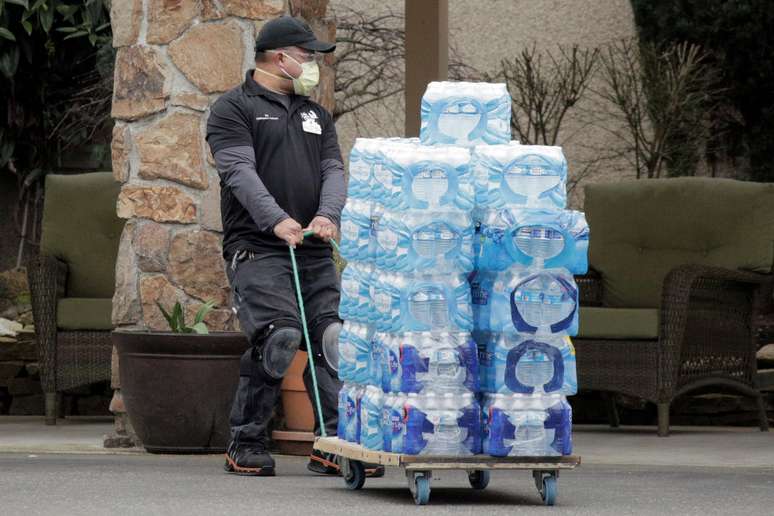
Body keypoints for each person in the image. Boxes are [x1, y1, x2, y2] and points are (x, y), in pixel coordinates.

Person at [206, 16, 382, 478]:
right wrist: (277, 220)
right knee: (280, 338)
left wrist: (327, 215)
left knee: (332, 339)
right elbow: (239, 172)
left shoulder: (315, 114)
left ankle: (334, 443)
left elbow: (333, 170)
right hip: (258, 248)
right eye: (305, 56)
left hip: (313, 250)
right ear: (278, 56)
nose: (311, 64)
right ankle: (245, 442)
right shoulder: (233, 109)